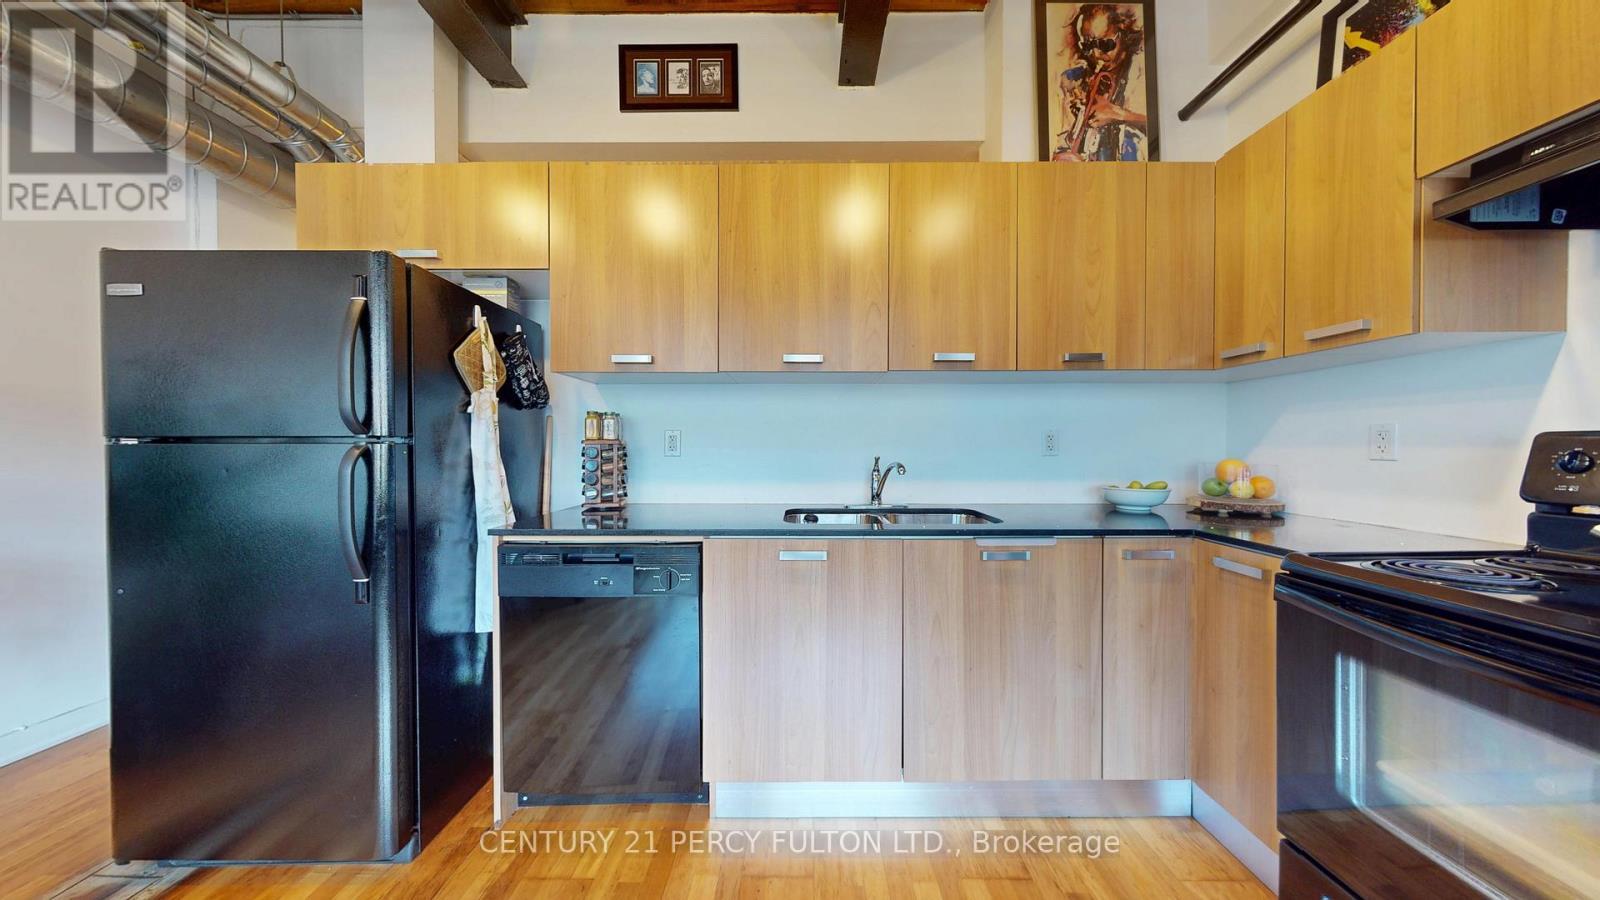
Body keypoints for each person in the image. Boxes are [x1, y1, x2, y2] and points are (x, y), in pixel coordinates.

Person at [1053, 4, 1148, 161]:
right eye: (1089, 45)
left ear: (1124, 34)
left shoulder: (1141, 70)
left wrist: (1119, 115)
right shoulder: (1077, 78)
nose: (1096, 54)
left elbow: (1161, 125)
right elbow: (1063, 138)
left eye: (1105, 45)